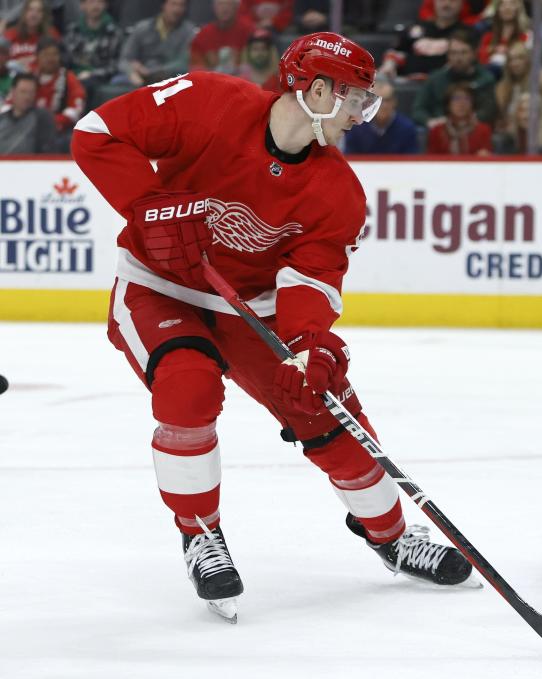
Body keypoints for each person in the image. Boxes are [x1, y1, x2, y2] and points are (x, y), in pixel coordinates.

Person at [70, 32, 473, 622]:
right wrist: (146, 204)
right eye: (356, 99)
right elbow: (96, 133)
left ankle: (389, 535)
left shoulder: (338, 191)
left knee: (326, 410)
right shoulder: (206, 102)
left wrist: (311, 345)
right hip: (159, 287)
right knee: (188, 383)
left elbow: (311, 280)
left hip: (251, 309)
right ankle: (200, 533)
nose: (362, 115)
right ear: (317, 90)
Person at [412, 29, 497, 127]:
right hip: (440, 130)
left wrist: (464, 121)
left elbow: (489, 111)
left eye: (463, 52)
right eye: (453, 53)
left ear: (474, 54)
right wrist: (430, 121)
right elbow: (418, 109)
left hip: (474, 130)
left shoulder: (486, 79)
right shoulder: (435, 79)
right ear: (448, 55)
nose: (458, 58)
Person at [380, 0, 470, 80]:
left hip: (443, 84)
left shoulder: (467, 32)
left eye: (452, 1)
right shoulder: (417, 28)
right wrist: (389, 64)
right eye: (442, 0)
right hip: (405, 80)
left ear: (461, 3)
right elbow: (397, 50)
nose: (446, 4)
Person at [116, 0, 197, 87]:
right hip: (140, 77)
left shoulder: (189, 31)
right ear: (163, 5)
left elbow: (184, 61)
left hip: (171, 79)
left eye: (181, 5)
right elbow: (125, 59)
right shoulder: (142, 28)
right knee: (120, 82)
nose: (177, 9)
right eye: (173, 4)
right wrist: (131, 72)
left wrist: (150, 71)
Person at [61, 0, 123, 97]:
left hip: (99, 77)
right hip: (73, 75)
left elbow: (115, 65)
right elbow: (65, 58)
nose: (95, 5)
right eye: (91, 2)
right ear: (82, 5)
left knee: (86, 84)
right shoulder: (73, 30)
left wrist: (92, 73)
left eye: (100, 2)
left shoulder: (113, 32)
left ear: (105, 5)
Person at [33, 36, 85, 151]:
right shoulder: (30, 77)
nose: (50, 59)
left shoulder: (68, 78)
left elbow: (76, 109)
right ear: (37, 57)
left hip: (60, 132)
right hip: (30, 131)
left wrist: (50, 124)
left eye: (54, 54)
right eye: (46, 55)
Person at [344, 80, 420, 154]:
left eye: (387, 100)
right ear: (370, 102)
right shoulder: (357, 126)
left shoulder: (407, 128)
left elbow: (411, 161)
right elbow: (350, 158)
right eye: (379, 101)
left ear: (394, 101)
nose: (384, 105)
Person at [426, 81, 492, 154]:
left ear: (473, 104)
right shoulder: (436, 131)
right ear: (448, 105)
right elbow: (431, 161)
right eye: (456, 98)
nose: (461, 103)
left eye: (467, 98)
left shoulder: (483, 130)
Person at [190, 0, 256, 72]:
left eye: (229, 4)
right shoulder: (203, 34)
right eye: (220, 4)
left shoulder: (249, 31)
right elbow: (195, 67)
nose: (224, 8)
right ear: (214, 8)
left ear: (237, 7)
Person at [0, 72, 57, 154]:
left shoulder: (42, 118)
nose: (27, 97)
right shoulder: (2, 119)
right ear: (13, 92)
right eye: (23, 92)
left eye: (31, 92)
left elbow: (48, 151)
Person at [3, 0, 60, 73]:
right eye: (30, 10)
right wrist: (15, 62)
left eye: (39, 11)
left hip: (41, 76)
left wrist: (34, 59)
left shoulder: (52, 34)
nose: (34, 14)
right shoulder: (10, 34)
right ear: (24, 13)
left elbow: (59, 59)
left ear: (44, 15)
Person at [477, 0, 530, 70]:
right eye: (502, 4)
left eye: (512, 4)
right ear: (498, 10)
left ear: (518, 8)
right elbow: (481, 60)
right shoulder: (488, 37)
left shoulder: (525, 36)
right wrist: (493, 49)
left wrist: (507, 52)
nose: (507, 8)